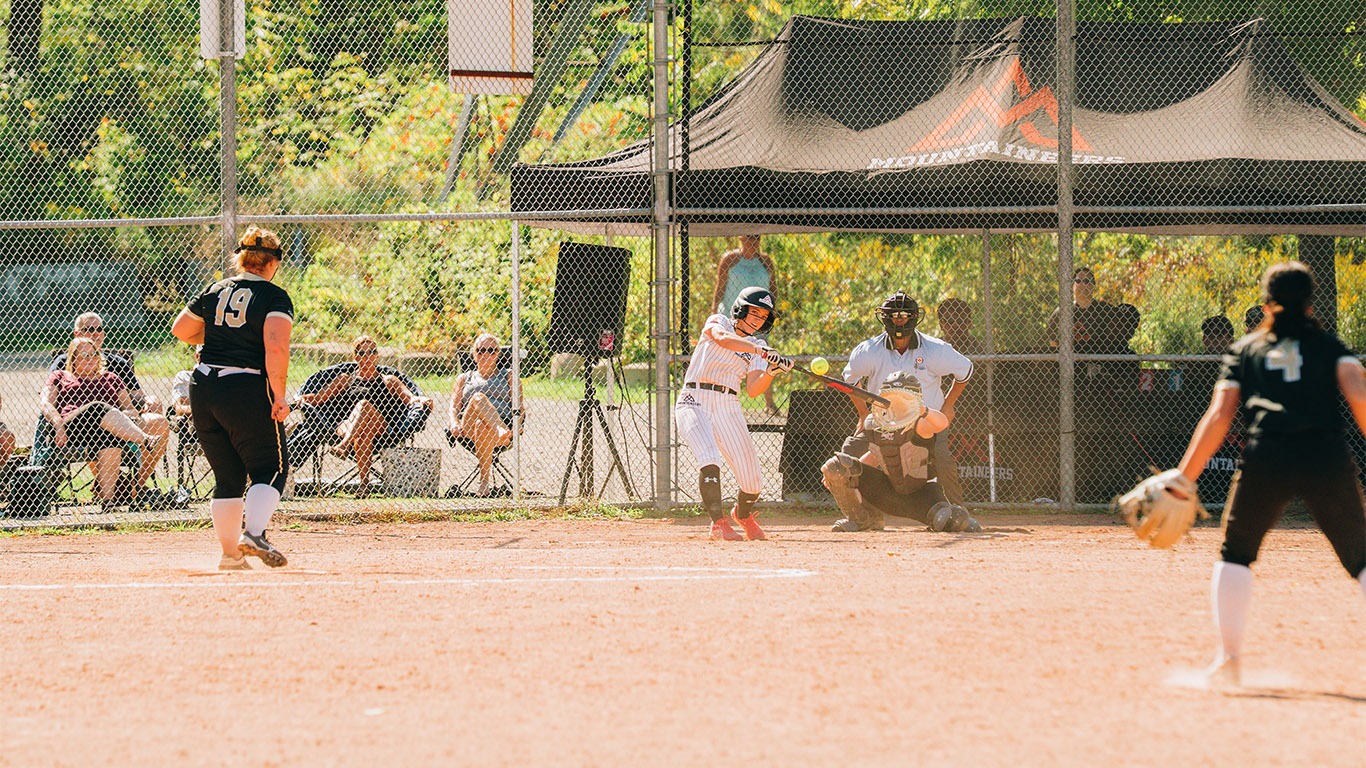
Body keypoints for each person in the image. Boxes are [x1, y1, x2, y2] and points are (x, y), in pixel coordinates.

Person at [1172, 261, 1366, 687]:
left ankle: (1229, 661)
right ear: (1312, 306)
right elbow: (1360, 394)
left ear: (1266, 305)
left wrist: (1185, 478)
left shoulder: (1246, 349)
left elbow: (1220, 416)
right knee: (1361, 558)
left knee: (1236, 554)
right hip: (1325, 456)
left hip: (1268, 457)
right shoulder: (1330, 346)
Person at [171, 226, 294, 571]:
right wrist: (280, 395)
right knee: (271, 468)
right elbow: (276, 346)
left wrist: (221, 331)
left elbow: (181, 330)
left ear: (241, 259)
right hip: (245, 386)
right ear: (273, 262)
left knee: (228, 476)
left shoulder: (216, 289)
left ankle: (231, 555)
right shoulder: (274, 296)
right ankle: (253, 533)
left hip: (204, 387)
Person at [676, 286, 790, 541]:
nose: (758, 319)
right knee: (709, 458)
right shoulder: (719, 322)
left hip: (728, 405)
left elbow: (753, 389)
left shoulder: (759, 345)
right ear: (740, 309)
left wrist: (772, 371)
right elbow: (721, 339)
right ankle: (718, 523)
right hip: (695, 399)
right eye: (754, 313)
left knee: (753, 483)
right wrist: (758, 351)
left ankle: (743, 514)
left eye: (763, 316)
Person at [843, 291, 973, 506]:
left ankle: (957, 511)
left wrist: (949, 405)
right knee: (848, 456)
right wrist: (863, 413)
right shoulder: (869, 350)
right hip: (882, 422)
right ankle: (859, 514)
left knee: (942, 459)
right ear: (885, 318)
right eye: (894, 315)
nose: (899, 319)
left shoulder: (935, 349)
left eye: (904, 314)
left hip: (924, 423)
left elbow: (966, 371)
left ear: (914, 317)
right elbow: (850, 380)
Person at [822, 372, 980, 533]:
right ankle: (864, 519)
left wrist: (923, 410)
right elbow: (874, 456)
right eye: (892, 397)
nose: (896, 403)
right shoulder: (877, 424)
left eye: (902, 398)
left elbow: (942, 423)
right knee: (835, 466)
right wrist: (842, 478)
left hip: (923, 498)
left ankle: (955, 516)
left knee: (955, 521)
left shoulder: (921, 423)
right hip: (888, 494)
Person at [298, 336, 433, 497]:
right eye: (362, 353)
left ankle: (344, 445)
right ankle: (364, 485)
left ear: (377, 355)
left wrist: (421, 399)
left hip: (381, 426)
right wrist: (303, 398)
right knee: (364, 433)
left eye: (372, 352)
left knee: (364, 405)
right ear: (355, 357)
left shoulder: (388, 380)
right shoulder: (345, 379)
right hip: (349, 425)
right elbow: (319, 398)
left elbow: (409, 397)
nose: (367, 356)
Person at [50, 311, 170, 491]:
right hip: (84, 424)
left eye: (99, 329)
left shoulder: (118, 363)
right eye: (89, 329)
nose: (95, 333)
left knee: (159, 421)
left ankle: (133, 487)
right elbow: (52, 395)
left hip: (123, 420)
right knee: (100, 424)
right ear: (77, 334)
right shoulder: (63, 362)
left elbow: (137, 395)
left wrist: (148, 400)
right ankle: (106, 482)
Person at [37, 337, 162, 510]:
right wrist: (58, 424)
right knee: (97, 407)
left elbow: (130, 410)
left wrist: (118, 417)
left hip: (102, 430)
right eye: (84, 355)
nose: (90, 359)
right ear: (73, 359)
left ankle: (108, 503)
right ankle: (146, 439)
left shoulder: (111, 378)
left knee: (111, 439)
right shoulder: (60, 376)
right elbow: (45, 403)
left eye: (94, 354)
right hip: (72, 428)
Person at [712, 236, 781, 417]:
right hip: (733, 317)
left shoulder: (765, 261)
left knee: (764, 356)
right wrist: (713, 312)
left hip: (758, 320)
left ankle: (769, 402)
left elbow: (773, 288)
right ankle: (720, 402)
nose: (753, 241)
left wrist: (771, 311)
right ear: (740, 239)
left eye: (756, 238)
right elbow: (720, 287)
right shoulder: (730, 259)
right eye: (749, 238)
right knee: (726, 357)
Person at [447, 333, 521, 498]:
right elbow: (453, 406)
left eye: (491, 350)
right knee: (478, 398)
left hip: (503, 428)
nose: (485, 355)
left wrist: (519, 425)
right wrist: (453, 423)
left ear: (498, 354)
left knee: (483, 425)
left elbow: (520, 408)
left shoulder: (509, 376)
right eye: (480, 350)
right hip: (469, 427)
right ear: (474, 354)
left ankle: (484, 483)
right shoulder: (465, 378)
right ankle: (498, 428)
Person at [1046, 267, 1110, 352]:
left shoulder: (1105, 311)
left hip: (1098, 362)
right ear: (1072, 286)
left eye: (1087, 281)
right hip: (1071, 363)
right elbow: (1053, 341)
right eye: (1078, 281)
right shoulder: (1061, 312)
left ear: (1093, 286)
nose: (1083, 285)